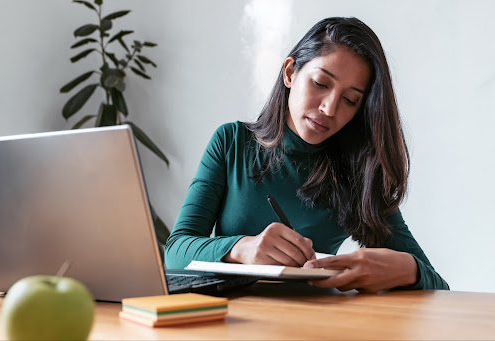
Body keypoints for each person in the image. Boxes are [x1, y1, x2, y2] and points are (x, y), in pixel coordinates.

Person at [164, 17, 449, 292]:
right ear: (290, 72)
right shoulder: (232, 142)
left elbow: (438, 285)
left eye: (350, 100)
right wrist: (241, 249)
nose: (329, 108)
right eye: (321, 84)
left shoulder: (357, 172)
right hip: (228, 321)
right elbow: (175, 252)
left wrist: (406, 268)